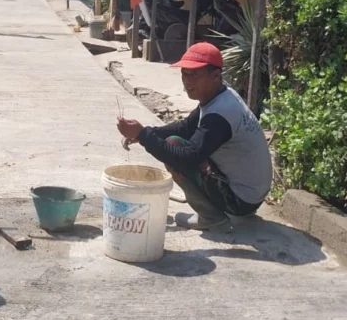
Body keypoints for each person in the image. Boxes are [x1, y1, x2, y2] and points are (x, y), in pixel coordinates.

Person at [116, 42, 272, 232]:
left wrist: (143, 135)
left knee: (174, 148)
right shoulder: (222, 95)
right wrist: (145, 133)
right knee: (179, 141)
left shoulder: (220, 114)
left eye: (195, 75)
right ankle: (214, 208)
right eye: (185, 73)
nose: (187, 81)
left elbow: (186, 159)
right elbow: (186, 127)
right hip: (251, 193)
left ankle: (211, 218)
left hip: (241, 201)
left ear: (215, 76)